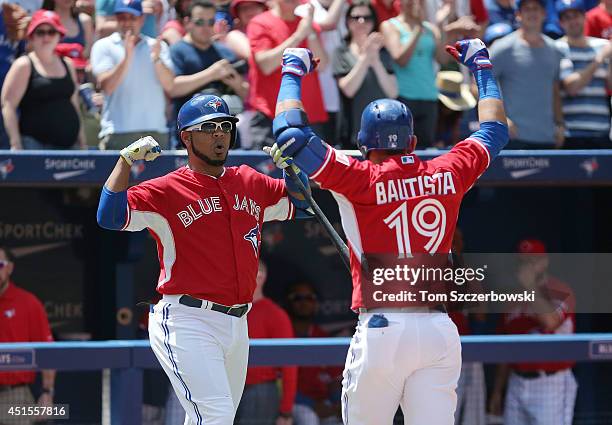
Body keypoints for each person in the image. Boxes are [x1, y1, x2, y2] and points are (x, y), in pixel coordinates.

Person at [264, 40, 508, 424]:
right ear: (412, 141)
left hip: (383, 328)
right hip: (437, 329)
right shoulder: (448, 170)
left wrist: (293, 70)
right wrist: (481, 66)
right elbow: (495, 131)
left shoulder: (359, 176)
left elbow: (289, 132)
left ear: (363, 145)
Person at [96, 94, 312, 425]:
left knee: (208, 417)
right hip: (187, 319)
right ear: (186, 136)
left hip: (238, 323)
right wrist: (124, 162)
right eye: (208, 128)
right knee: (216, 416)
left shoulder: (249, 180)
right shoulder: (166, 189)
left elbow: (301, 206)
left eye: (225, 126)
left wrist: (292, 170)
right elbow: (109, 216)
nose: (219, 134)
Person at [489, 239, 577, 425]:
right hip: (517, 381)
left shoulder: (559, 290)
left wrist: (529, 286)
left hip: (550, 382)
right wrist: (498, 390)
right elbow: (505, 348)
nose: (526, 267)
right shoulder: (511, 298)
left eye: (532, 261)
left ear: (544, 261)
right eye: (522, 262)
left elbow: (550, 321)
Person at [91, 0, 174, 149]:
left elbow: (169, 85)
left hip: (155, 132)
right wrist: (127, 56)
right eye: (122, 17)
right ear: (116, 19)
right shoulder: (103, 46)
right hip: (118, 132)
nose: (127, 22)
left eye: (132, 17)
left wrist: (156, 59)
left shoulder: (158, 46)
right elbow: (107, 87)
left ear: (142, 19)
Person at [246, 0, 328, 149]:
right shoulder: (260, 22)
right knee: (265, 172)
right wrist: (299, 35)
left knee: (314, 171)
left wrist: (309, 33)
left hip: (309, 117)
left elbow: (322, 66)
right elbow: (266, 64)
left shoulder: (308, 25)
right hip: (271, 116)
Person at [1, 9, 85, 150]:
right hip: (35, 146)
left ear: (59, 36)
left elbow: (74, 104)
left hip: (70, 148)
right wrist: (16, 144)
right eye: (40, 32)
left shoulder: (68, 64)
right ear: (32, 36)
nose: (46, 37)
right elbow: (8, 105)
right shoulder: (24, 64)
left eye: (51, 32)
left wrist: (82, 141)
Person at [490, 0, 565, 148]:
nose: (532, 13)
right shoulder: (502, 47)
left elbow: (554, 89)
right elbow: (479, 85)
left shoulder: (554, 50)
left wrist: (560, 123)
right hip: (513, 139)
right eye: (527, 9)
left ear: (544, 14)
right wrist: (500, 118)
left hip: (547, 138)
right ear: (518, 14)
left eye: (536, 8)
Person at [381, 0, 453, 148]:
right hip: (404, 97)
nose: (414, 3)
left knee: (425, 148)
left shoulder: (431, 29)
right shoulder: (390, 25)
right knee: (403, 149)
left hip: (429, 97)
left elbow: (442, 58)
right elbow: (400, 59)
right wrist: (417, 29)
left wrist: (442, 26)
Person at [168, 0, 248, 134]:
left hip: (225, 130)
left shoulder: (225, 52)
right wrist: (211, 74)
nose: (206, 27)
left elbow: (246, 94)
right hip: (189, 131)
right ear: (187, 22)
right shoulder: (177, 50)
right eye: (199, 22)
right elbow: (173, 88)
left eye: (210, 22)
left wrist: (236, 83)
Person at [235, 260, 297, 425]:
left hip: (260, 391)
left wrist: (286, 410)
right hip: (227, 389)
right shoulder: (227, 311)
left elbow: (289, 365)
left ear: (260, 277)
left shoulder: (275, 314)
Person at [0, 246, 56, 425]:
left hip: (13, 394)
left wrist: (47, 392)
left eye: (0, 264)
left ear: (9, 268)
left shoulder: (28, 302)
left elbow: (48, 351)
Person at [333, 0, 398, 146]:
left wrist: (375, 61)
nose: (361, 21)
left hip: (382, 131)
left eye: (367, 18)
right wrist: (365, 57)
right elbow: (348, 89)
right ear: (347, 22)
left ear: (373, 22)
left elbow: (392, 92)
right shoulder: (341, 52)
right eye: (355, 18)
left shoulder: (383, 53)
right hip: (351, 132)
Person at [556, 0, 612, 148]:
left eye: (576, 16)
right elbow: (572, 87)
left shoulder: (603, 45)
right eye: (567, 18)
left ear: (584, 17)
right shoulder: (558, 48)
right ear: (561, 23)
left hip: (602, 131)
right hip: (571, 133)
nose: (572, 21)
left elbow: (610, 85)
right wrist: (599, 60)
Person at [286, 281, 343, 425]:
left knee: (336, 419)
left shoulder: (322, 336)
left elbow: (334, 379)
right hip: (295, 402)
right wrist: (312, 405)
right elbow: (279, 384)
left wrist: (338, 404)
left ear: (316, 303)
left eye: (309, 298)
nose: (303, 302)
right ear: (288, 302)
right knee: (308, 419)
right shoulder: (284, 334)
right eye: (297, 298)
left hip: (323, 401)